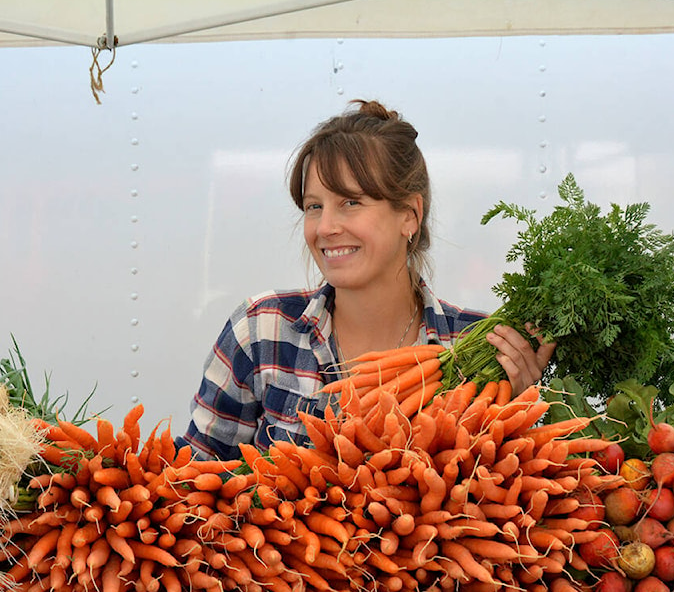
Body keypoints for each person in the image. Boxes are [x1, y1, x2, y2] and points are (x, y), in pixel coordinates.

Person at [178, 100, 555, 460]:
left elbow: (507, 503)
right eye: (314, 207)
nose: (325, 227)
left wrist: (515, 412)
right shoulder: (261, 331)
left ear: (409, 214)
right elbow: (190, 480)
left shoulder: (480, 347)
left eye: (351, 202)